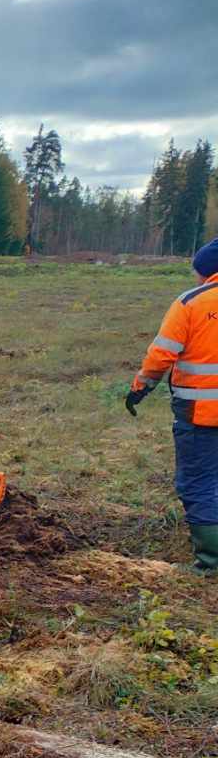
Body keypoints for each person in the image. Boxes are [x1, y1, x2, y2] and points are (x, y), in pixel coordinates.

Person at [127, 235, 218, 573]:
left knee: (198, 482)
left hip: (201, 416)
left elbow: (161, 355)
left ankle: (209, 563)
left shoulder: (191, 303)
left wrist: (140, 387)